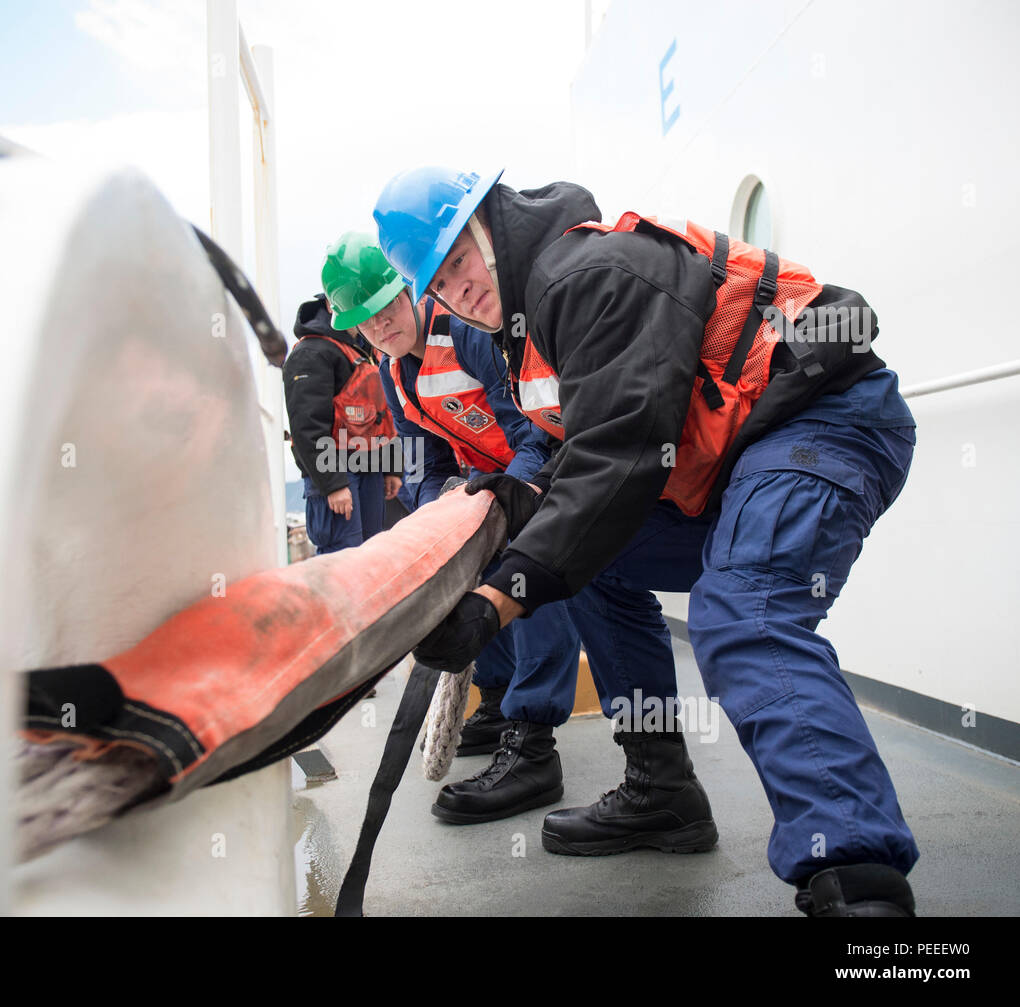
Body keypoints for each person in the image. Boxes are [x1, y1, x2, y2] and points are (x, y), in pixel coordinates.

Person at [374, 167, 919, 917]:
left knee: (743, 613)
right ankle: (661, 785)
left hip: (824, 418)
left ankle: (862, 892)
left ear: (489, 225)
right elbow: (571, 447)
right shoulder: (523, 329)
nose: (455, 289)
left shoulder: (584, 271)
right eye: (436, 281)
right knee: (593, 565)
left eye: (458, 260)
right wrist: (517, 502)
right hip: (739, 461)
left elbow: (623, 455)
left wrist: (498, 602)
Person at [321, 230, 581, 825]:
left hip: (541, 474)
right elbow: (422, 461)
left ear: (406, 292)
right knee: (466, 578)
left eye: (387, 307)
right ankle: (494, 702)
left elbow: (531, 427)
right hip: (487, 484)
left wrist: (513, 495)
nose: (383, 326)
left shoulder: (464, 331)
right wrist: (441, 516)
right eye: (366, 321)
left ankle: (533, 743)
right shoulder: (393, 371)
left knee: (526, 580)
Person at [283, 293, 400, 555]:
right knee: (343, 555)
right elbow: (307, 427)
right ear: (330, 304)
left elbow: (381, 414)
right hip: (334, 473)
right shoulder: (311, 353)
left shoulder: (365, 349)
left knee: (372, 552)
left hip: (369, 468)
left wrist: (392, 469)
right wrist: (333, 485)